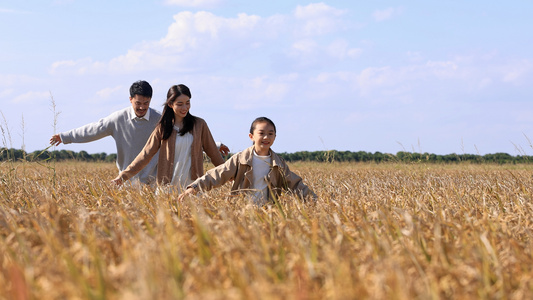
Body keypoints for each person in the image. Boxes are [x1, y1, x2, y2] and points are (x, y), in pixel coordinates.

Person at [50, 80, 229, 185]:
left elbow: (193, 139)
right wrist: (65, 137)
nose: (142, 107)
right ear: (131, 100)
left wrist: (217, 146)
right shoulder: (120, 119)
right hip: (128, 181)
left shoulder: (161, 120)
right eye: (138, 103)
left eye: (146, 103)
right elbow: (93, 130)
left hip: (155, 182)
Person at [178, 117, 317, 205]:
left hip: (268, 213)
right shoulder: (241, 159)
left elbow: (295, 184)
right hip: (242, 212)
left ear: (275, 137)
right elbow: (218, 174)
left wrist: (315, 200)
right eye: (261, 133)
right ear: (251, 136)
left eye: (270, 133)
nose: (266, 137)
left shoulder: (278, 163)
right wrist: (194, 188)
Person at [112, 84, 225, 190]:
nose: (185, 107)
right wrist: (123, 176)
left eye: (187, 102)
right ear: (170, 104)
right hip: (167, 188)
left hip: (192, 187)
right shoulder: (162, 128)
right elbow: (145, 155)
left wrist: (229, 173)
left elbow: (213, 153)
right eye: (179, 104)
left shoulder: (199, 125)